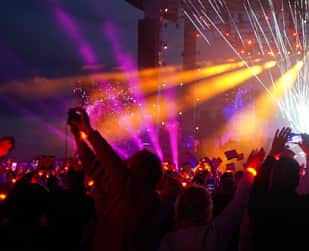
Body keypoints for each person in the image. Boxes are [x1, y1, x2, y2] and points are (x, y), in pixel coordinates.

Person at [68, 108, 164, 251]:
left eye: (132, 161)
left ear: (141, 170)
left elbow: (110, 161)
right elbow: (93, 166)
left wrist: (89, 131)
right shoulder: (122, 189)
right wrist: (78, 136)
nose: (127, 162)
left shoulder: (143, 198)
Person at [247, 127, 309, 251]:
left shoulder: (261, 205)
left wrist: (272, 154)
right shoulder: (306, 207)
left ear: (272, 177)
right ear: (298, 179)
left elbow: (258, 186)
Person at [158, 150, 259, 251]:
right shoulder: (213, 235)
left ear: (179, 208)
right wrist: (251, 168)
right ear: (207, 208)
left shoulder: (167, 241)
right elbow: (238, 203)